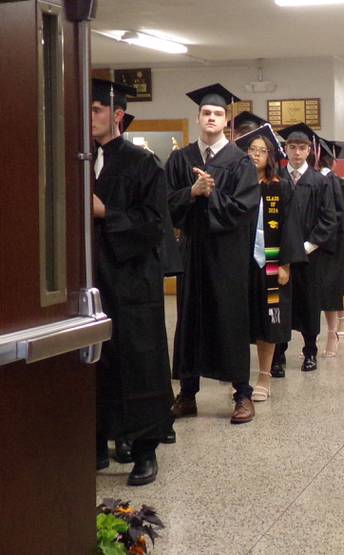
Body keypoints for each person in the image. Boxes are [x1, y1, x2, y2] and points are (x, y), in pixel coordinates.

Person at [91, 79, 174, 486]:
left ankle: (143, 450)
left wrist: (107, 213)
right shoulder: (76, 160)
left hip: (131, 282)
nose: (89, 119)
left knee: (137, 362)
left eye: (95, 110)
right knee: (94, 362)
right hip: (89, 283)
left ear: (117, 115)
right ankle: (97, 441)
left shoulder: (143, 164)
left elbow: (155, 225)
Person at [166, 83, 260, 425]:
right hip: (192, 252)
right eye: (206, 112)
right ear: (198, 117)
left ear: (227, 122)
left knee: (230, 319)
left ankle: (243, 395)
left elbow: (244, 210)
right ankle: (187, 393)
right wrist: (191, 192)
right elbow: (165, 205)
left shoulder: (239, 163)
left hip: (227, 255)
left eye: (218, 113)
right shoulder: (181, 158)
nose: (211, 118)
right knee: (189, 319)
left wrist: (211, 195)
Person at [236, 125, 306, 401]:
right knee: (240, 320)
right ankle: (239, 376)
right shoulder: (237, 186)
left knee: (269, 319)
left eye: (261, 151)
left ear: (270, 156)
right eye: (250, 150)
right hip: (241, 265)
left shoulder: (281, 187)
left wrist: (286, 264)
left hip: (272, 264)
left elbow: (291, 227)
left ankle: (264, 375)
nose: (255, 155)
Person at [271, 123, 338, 376]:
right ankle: (278, 355)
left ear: (310, 150)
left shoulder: (319, 182)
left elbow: (328, 219)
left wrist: (306, 246)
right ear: (285, 149)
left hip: (310, 256)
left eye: (302, 148)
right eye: (292, 147)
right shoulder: (275, 178)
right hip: (279, 257)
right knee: (279, 304)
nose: (297, 152)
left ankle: (310, 351)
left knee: (309, 303)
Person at [316, 138, 344, 356]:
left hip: (328, 246)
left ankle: (333, 333)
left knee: (329, 291)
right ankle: (317, 339)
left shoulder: (336, 183)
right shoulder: (310, 181)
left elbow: (343, 216)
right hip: (318, 246)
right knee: (321, 292)